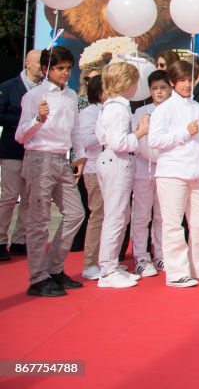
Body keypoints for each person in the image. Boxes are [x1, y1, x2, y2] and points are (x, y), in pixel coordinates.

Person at [15, 46, 86, 297]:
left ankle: (54, 268)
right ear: (46, 69)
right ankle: (37, 277)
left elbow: (75, 129)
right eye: (59, 68)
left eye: (68, 68)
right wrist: (37, 119)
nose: (65, 73)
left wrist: (80, 154)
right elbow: (20, 135)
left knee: (76, 213)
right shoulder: (34, 96)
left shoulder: (70, 96)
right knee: (39, 220)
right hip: (39, 158)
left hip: (62, 160)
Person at [148, 60, 199, 288]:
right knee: (173, 225)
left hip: (197, 174)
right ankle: (177, 272)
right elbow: (155, 141)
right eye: (181, 81)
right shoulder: (163, 110)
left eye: (190, 80)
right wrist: (183, 133)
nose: (187, 85)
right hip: (171, 173)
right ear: (172, 82)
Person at [94, 62, 148, 289]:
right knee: (115, 216)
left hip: (116, 162)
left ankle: (111, 264)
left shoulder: (115, 106)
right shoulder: (117, 108)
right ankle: (107, 269)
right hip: (116, 162)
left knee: (119, 215)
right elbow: (118, 142)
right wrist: (140, 132)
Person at [0, 49, 42, 261]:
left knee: (28, 197)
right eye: (38, 62)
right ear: (27, 63)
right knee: (8, 197)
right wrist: (25, 124)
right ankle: (0, 240)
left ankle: (19, 240)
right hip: (12, 149)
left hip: (34, 150)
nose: (42, 66)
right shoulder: (8, 87)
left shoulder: (45, 90)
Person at [131, 70, 170, 277]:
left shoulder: (174, 110)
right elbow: (135, 140)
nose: (159, 92)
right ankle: (141, 256)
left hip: (166, 168)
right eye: (155, 89)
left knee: (162, 216)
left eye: (163, 88)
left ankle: (161, 254)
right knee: (142, 215)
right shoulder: (141, 112)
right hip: (143, 168)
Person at [72, 76, 104, 281]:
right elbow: (85, 141)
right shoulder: (89, 112)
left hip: (115, 168)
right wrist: (107, 133)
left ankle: (106, 260)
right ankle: (90, 263)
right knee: (98, 214)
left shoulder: (117, 109)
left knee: (113, 216)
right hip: (94, 168)